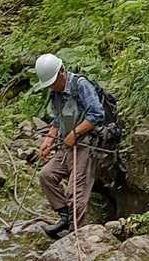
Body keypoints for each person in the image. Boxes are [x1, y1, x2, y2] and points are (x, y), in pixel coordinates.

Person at [33, 52, 104, 239]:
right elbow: (57, 119)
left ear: (61, 72)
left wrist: (75, 133)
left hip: (86, 145)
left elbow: (97, 114)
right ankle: (65, 218)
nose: (51, 87)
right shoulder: (55, 93)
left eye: (53, 82)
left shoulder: (81, 85)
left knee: (75, 191)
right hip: (67, 145)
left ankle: (75, 234)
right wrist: (48, 140)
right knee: (46, 176)